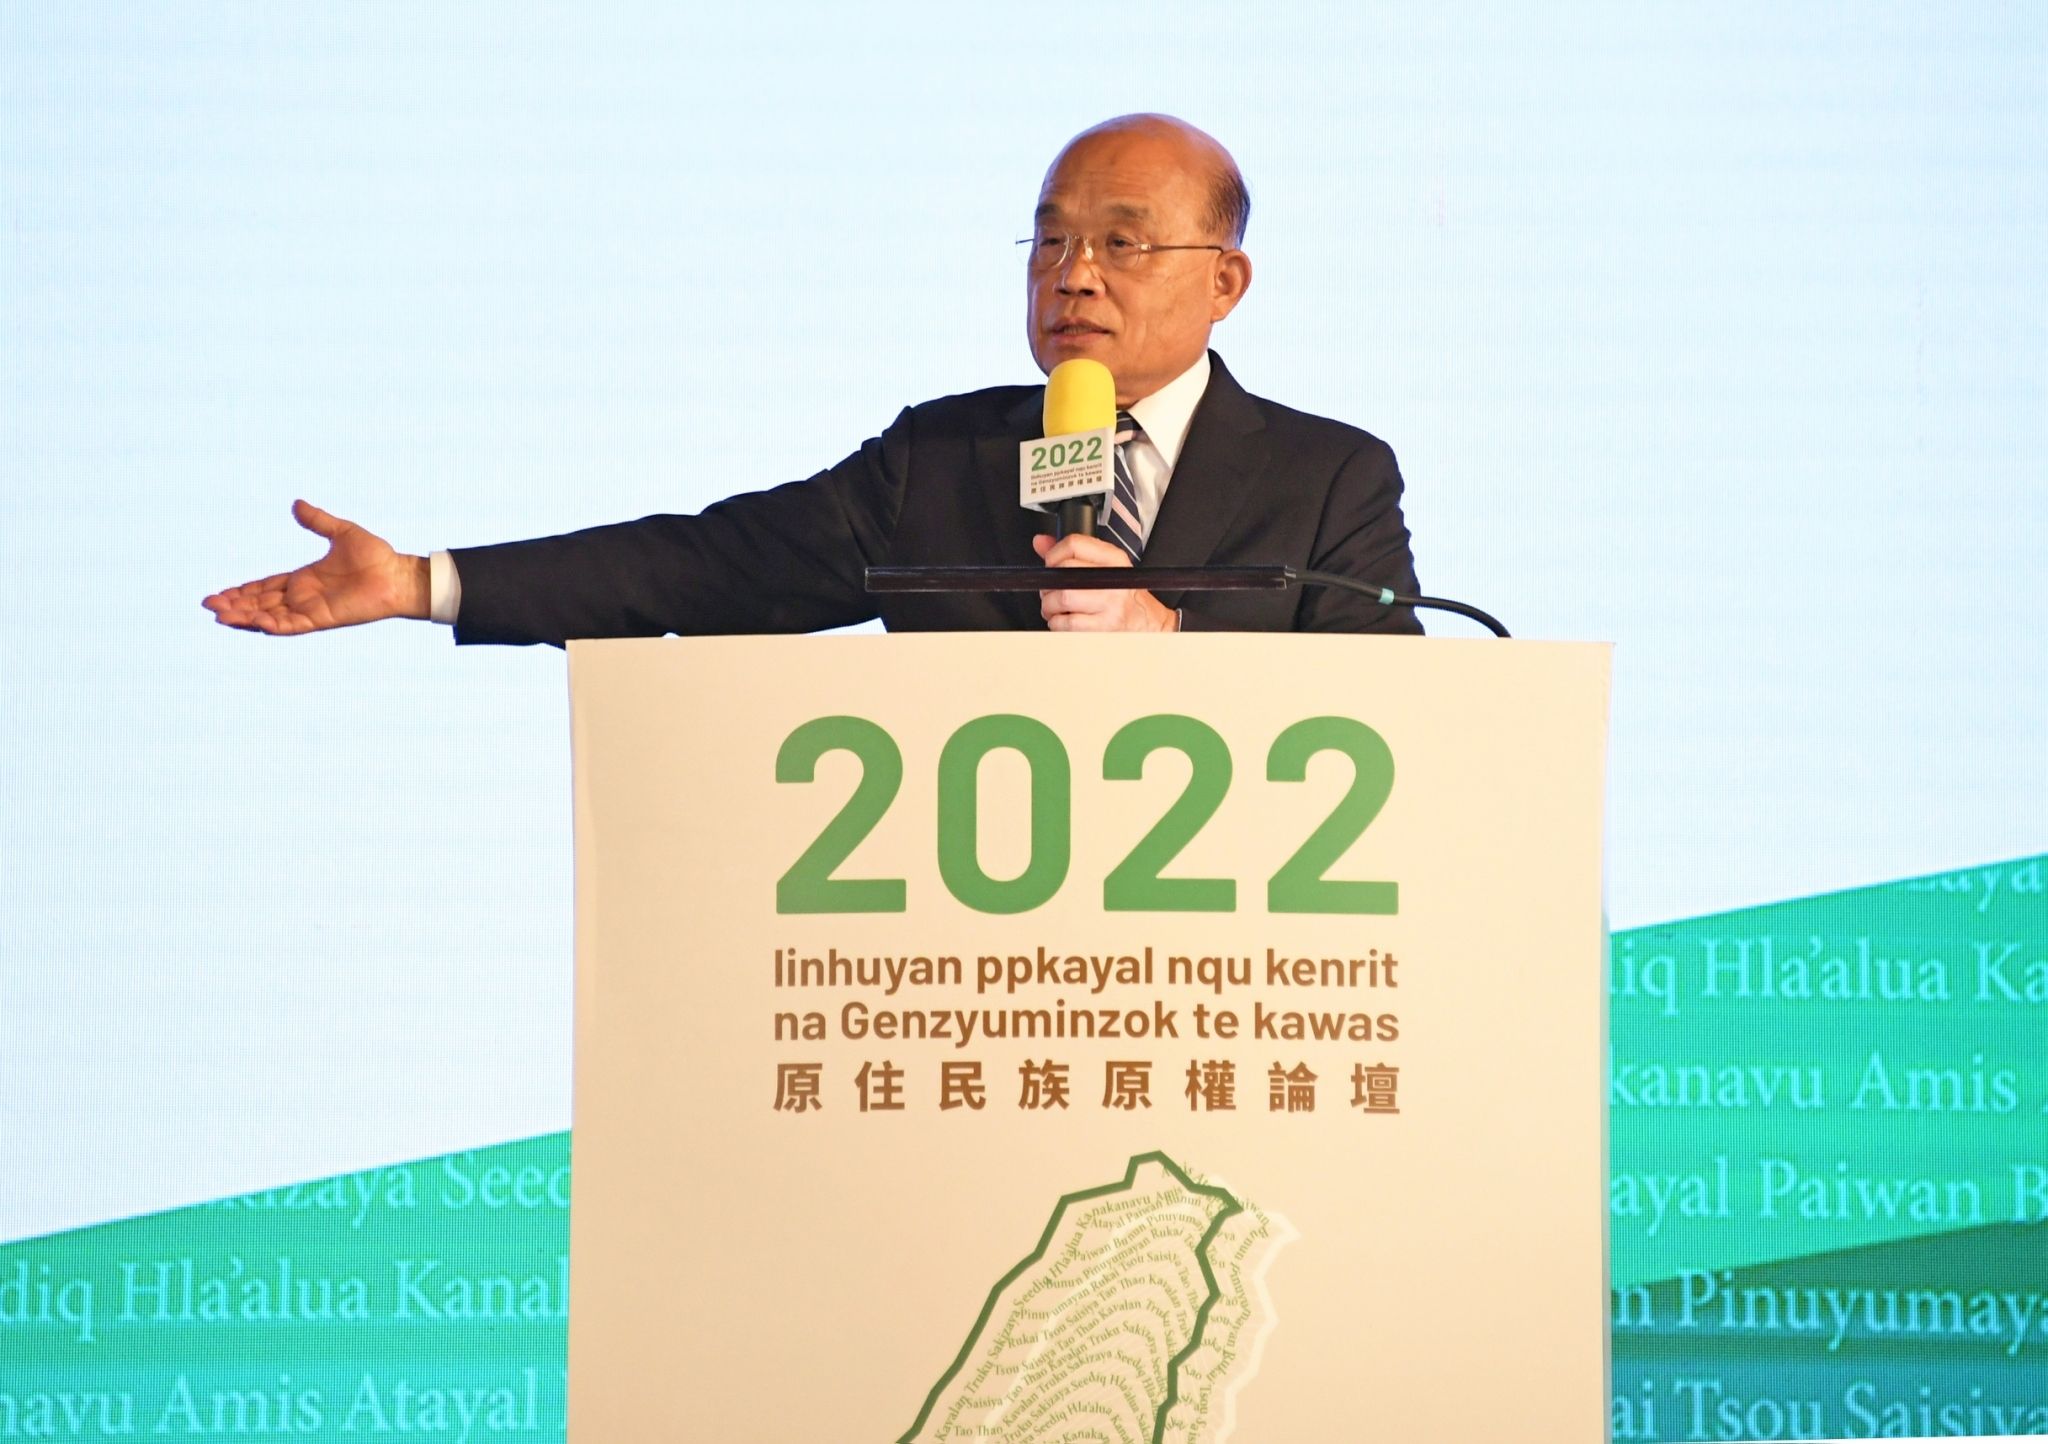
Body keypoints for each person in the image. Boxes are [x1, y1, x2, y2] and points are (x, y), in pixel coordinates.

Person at [203, 114, 1421, 640]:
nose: (1073, 276)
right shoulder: (939, 463)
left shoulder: (1328, 479)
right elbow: (706, 565)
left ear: (1225, 281)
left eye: (1120, 242)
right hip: (980, 992)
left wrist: (1173, 641)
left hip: (1230, 991)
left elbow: (1393, 720)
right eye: (1049, 241)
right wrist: (422, 580)